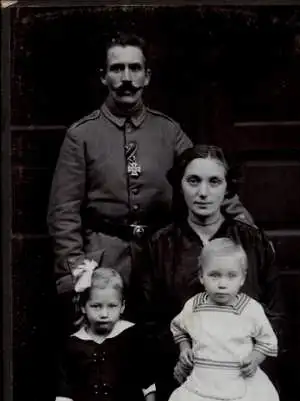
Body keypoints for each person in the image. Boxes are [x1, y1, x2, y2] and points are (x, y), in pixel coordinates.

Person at [47, 32, 253, 330]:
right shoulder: (81, 136)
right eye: (117, 69)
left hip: (162, 257)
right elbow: (63, 213)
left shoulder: (168, 131)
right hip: (104, 261)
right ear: (104, 77)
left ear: (147, 77)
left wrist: (247, 230)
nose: (127, 78)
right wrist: (78, 280)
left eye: (135, 69)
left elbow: (206, 177)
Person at [132, 145, 285, 401]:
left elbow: (275, 312)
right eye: (193, 181)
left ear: (228, 187)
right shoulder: (159, 245)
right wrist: (177, 358)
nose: (203, 193)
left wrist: (253, 360)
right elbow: (147, 320)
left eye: (214, 181)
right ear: (180, 185)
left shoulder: (253, 241)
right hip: (182, 380)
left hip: (243, 381)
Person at [53, 267, 157, 401]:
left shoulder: (131, 336)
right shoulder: (73, 344)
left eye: (112, 306)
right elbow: (65, 386)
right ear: (83, 307)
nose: (104, 314)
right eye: (96, 306)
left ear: (122, 306)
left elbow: (144, 372)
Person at [167, 237, 280, 401]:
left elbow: (267, 341)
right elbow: (178, 328)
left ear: (243, 278)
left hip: (238, 378)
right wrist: (184, 348)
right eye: (214, 275)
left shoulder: (249, 309)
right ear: (202, 277)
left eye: (231, 276)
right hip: (204, 378)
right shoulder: (194, 306)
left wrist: (255, 358)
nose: (222, 284)